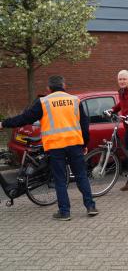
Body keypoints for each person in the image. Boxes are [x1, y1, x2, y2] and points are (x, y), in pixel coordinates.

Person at [0, 76, 97, 221]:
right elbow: (84, 125)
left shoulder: (44, 102)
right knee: (81, 176)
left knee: (59, 179)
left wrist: (4, 123)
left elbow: (25, 118)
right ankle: (90, 207)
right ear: (64, 86)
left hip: (55, 146)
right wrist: (84, 144)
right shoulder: (75, 100)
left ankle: (65, 212)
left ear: (48, 88)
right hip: (74, 144)